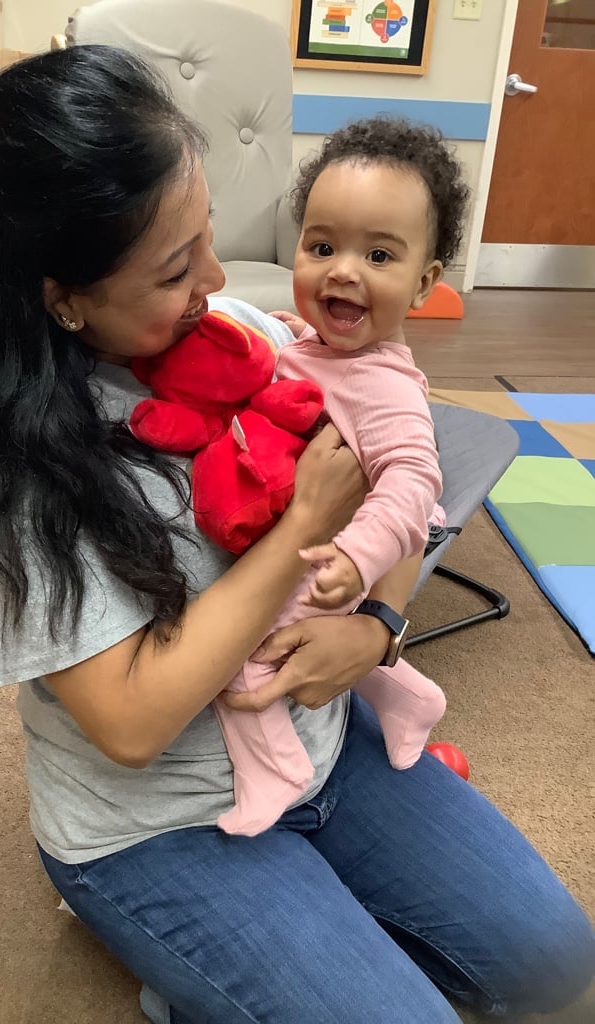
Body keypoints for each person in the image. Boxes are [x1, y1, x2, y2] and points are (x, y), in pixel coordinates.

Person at [0, 45, 593, 1024]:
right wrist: (300, 523)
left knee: (555, 964)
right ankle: (176, 956)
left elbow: (390, 502)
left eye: (209, 236)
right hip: (160, 822)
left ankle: (289, 933)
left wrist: (377, 621)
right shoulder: (4, 467)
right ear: (63, 296)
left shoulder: (242, 337)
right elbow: (131, 723)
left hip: (319, 739)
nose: (218, 280)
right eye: (176, 269)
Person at [204, 118, 465, 836]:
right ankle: (410, 700)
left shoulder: (386, 389)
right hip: (313, 546)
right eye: (322, 246)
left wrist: (358, 556)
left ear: (424, 283)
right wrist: (296, 336)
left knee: (242, 656)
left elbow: (413, 478)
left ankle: (276, 772)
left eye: (378, 254)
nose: (342, 270)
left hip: (325, 560)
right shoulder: (326, 347)